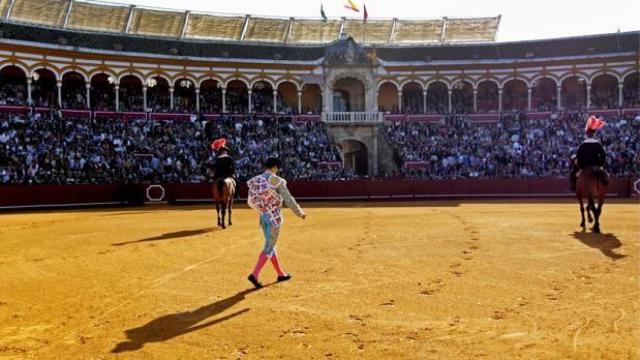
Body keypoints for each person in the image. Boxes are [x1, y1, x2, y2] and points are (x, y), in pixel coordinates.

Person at [246, 157, 306, 289]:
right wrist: (299, 212)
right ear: (275, 167)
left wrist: (261, 210)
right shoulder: (277, 180)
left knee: (271, 246)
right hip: (274, 218)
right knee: (269, 246)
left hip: (263, 218)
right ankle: (255, 274)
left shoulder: (256, 180)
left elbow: (250, 201)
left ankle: (280, 274)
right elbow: (288, 199)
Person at [571, 116, 608, 191]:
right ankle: (604, 186)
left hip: (584, 166)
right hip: (596, 165)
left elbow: (579, 156)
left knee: (573, 174)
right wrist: (601, 165)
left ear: (587, 135)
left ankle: (574, 187)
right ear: (594, 134)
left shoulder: (583, 144)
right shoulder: (598, 144)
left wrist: (580, 165)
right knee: (605, 175)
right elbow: (603, 155)